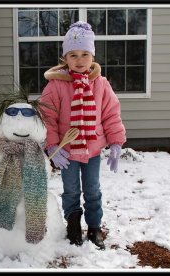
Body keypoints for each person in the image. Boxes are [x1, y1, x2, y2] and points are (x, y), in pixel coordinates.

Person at [40, 21, 126, 250]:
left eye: (85, 54)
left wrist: (116, 142)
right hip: (67, 152)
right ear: (65, 58)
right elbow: (48, 118)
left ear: (93, 56)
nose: (79, 60)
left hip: (93, 149)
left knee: (93, 189)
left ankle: (95, 227)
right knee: (71, 190)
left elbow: (111, 114)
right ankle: (73, 224)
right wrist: (52, 146)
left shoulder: (101, 84)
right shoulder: (55, 86)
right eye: (73, 55)